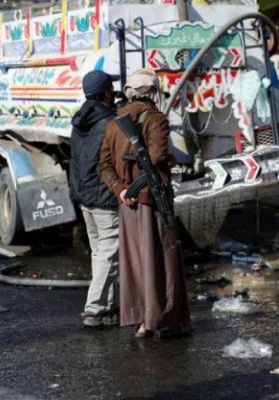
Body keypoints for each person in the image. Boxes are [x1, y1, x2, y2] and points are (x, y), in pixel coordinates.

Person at [98, 68, 191, 339]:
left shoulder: (114, 123)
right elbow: (158, 156)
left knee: (136, 264)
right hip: (153, 201)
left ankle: (141, 320)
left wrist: (120, 189)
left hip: (128, 203)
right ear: (152, 93)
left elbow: (103, 166)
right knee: (164, 260)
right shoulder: (157, 119)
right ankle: (163, 320)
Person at [69, 70, 119, 328]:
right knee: (109, 255)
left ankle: (108, 308)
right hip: (103, 197)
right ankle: (95, 310)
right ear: (106, 93)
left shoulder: (80, 120)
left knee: (100, 252)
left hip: (84, 196)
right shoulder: (111, 123)